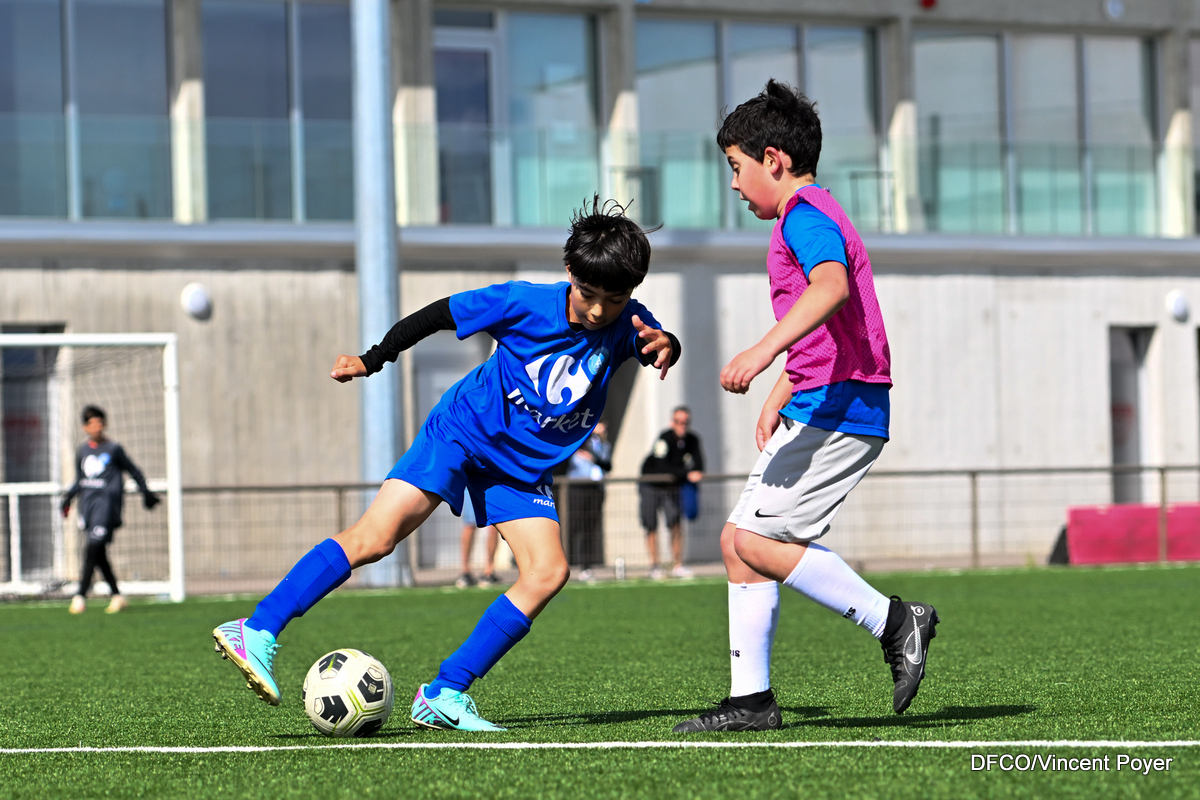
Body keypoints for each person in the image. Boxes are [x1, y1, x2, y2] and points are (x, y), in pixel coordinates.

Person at [212, 197, 681, 732]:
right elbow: (439, 314)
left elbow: (657, 344)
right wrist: (372, 358)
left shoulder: (630, 322)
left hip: (519, 468)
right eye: (589, 295)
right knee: (376, 538)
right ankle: (258, 629)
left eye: (614, 300)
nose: (598, 311)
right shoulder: (523, 302)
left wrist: (668, 345)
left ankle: (443, 694)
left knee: (548, 572)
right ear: (569, 271)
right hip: (461, 432)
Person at [672, 81, 939, 733]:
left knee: (755, 541)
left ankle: (894, 621)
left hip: (841, 407)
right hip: (822, 397)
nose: (734, 184)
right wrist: (782, 390)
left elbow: (831, 287)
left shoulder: (804, 214)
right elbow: (827, 333)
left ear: (774, 159)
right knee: (739, 545)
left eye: (736, 167)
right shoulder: (812, 213)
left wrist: (763, 352)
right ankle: (751, 701)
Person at [60, 405, 160, 614]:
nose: (96, 427)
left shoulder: (114, 449)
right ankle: (117, 595)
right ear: (85, 427)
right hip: (88, 507)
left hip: (106, 507)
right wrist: (68, 498)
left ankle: (80, 596)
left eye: (100, 422)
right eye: (92, 423)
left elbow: (133, 470)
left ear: (104, 424)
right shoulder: (83, 451)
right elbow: (81, 479)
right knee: (99, 553)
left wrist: (146, 493)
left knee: (92, 548)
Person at [639, 406, 704, 580]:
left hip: (671, 486)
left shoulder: (693, 440)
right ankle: (655, 566)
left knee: (675, 523)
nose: (682, 425)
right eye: (678, 421)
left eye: (685, 422)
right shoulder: (664, 438)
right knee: (651, 524)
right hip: (651, 483)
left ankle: (678, 565)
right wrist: (685, 473)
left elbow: (699, 464)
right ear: (672, 422)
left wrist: (686, 473)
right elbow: (661, 466)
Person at [564, 419, 611, 581]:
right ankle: (567, 563)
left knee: (590, 528)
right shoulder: (578, 442)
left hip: (595, 488)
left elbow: (607, 464)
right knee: (574, 526)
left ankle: (586, 566)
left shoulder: (604, 446)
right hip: (578, 487)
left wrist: (593, 456)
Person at [456, 490, 500, 588]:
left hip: (486, 486)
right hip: (478, 485)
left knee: (492, 526)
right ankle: (467, 572)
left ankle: (487, 571)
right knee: (470, 525)